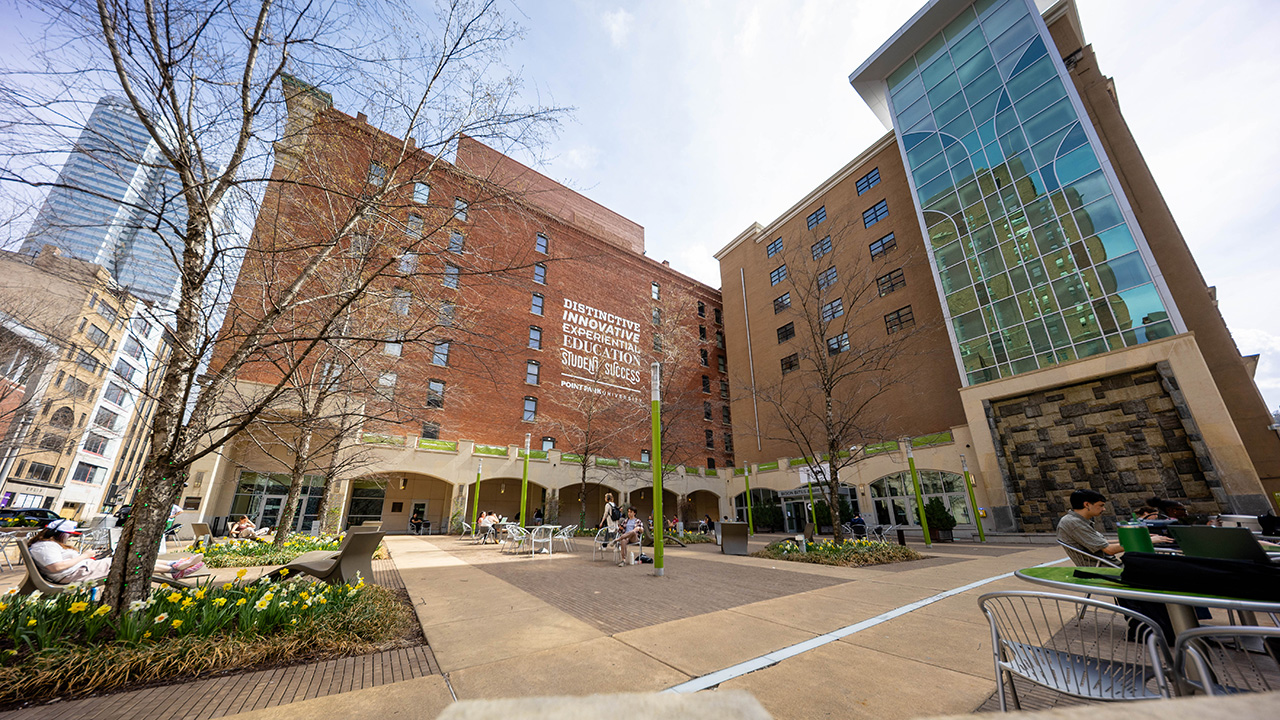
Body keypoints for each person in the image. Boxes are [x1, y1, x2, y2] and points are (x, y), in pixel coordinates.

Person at [29, 519, 205, 584]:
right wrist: (84, 556)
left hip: (84, 568)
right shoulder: (45, 546)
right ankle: (174, 568)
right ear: (58, 533)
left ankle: (174, 566)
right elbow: (55, 567)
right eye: (67, 535)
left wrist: (89, 557)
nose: (69, 538)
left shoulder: (49, 545)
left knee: (128, 558)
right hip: (76, 574)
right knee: (129, 562)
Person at [1057, 489, 1172, 562]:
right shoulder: (1073, 523)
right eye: (1101, 505)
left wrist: (1140, 538)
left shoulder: (1076, 520)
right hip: (1103, 568)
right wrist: (1147, 540)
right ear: (1087, 504)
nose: (1104, 509)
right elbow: (1110, 550)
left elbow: (1103, 543)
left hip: (1107, 564)